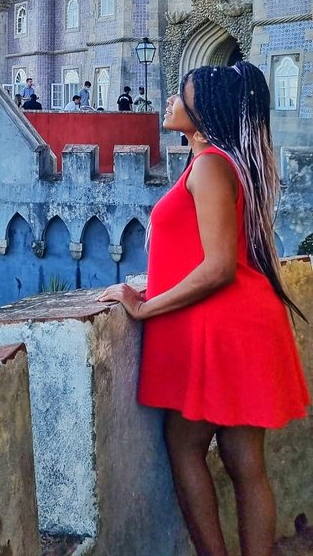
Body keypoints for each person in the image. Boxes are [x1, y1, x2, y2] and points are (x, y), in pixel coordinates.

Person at [97, 62, 309, 556]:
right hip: (239, 322)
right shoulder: (218, 163)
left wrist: (144, 307)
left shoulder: (212, 165)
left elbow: (218, 267)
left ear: (205, 111)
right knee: (243, 462)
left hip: (224, 325)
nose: (171, 101)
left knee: (186, 446)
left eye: (182, 95)